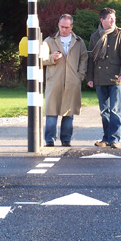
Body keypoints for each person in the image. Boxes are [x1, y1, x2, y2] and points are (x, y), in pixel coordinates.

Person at [87, 8, 121, 149]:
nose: (113, 21)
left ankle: (115, 139)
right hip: (100, 78)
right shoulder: (95, 36)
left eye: (114, 18)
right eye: (110, 18)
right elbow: (91, 58)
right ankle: (105, 138)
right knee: (104, 111)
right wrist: (90, 77)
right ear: (102, 20)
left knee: (115, 110)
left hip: (116, 78)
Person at [43, 14, 88, 147]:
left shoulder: (79, 42)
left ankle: (66, 140)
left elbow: (84, 59)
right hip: (54, 81)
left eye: (67, 27)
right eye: (62, 26)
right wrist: (52, 57)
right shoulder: (49, 40)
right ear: (58, 25)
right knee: (51, 111)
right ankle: (49, 140)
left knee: (69, 112)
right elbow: (40, 59)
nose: (64, 30)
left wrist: (80, 76)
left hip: (72, 81)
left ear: (71, 27)